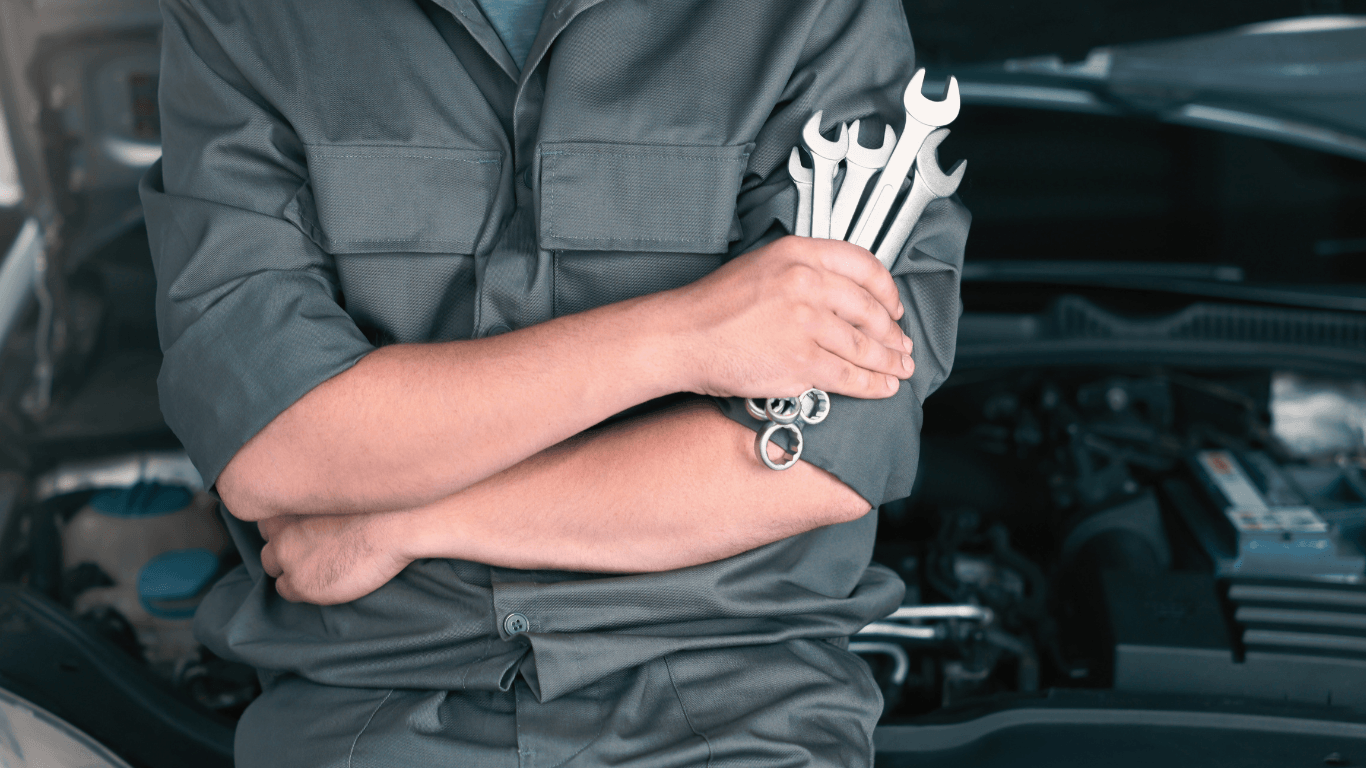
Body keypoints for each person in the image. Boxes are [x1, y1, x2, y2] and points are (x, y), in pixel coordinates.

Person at [140, 0, 970, 764]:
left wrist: (399, 524)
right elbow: (276, 442)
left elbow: (821, 458)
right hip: (371, 706)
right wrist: (685, 336)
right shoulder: (250, 16)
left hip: (732, 704)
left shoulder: (808, 12)